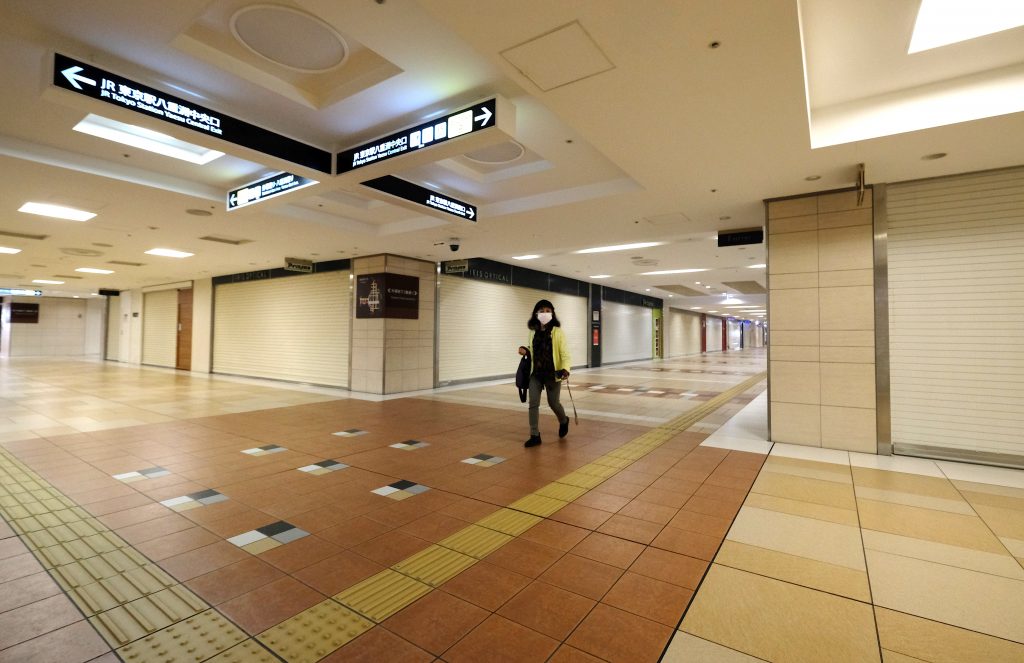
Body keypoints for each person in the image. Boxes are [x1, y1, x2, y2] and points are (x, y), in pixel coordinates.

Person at [518, 299, 571, 447]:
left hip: (553, 374)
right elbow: (533, 348)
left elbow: (565, 353)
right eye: (542, 311)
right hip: (536, 374)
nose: (545, 314)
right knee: (533, 403)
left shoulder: (558, 333)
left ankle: (564, 420)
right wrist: (525, 349)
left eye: (548, 311)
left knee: (553, 403)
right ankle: (535, 435)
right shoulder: (532, 331)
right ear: (536, 313)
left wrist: (566, 368)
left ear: (553, 314)